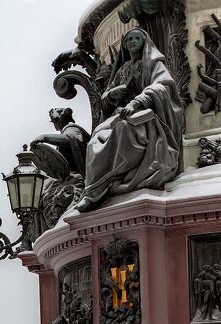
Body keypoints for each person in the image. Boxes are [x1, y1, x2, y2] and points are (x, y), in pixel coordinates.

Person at [75, 28, 184, 212]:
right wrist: (111, 94)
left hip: (146, 115)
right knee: (96, 138)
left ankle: (105, 184)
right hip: (121, 114)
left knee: (124, 130)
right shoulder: (123, 69)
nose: (133, 41)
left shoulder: (152, 64)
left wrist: (138, 101)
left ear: (144, 41)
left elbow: (163, 85)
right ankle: (97, 186)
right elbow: (105, 99)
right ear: (124, 44)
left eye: (137, 38)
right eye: (129, 39)